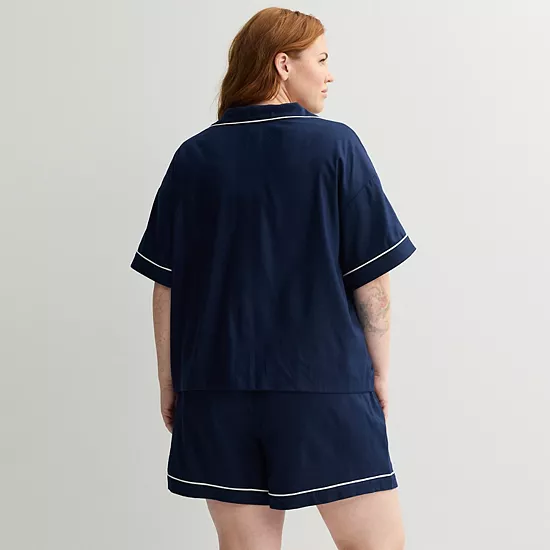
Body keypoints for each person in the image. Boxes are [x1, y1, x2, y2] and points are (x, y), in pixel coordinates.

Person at [130, 7, 416, 550]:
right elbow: (371, 280)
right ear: (283, 64)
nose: (330, 74)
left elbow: (166, 284)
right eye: (322, 59)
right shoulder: (336, 146)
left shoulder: (193, 157)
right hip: (323, 385)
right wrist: (379, 370)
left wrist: (169, 382)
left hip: (214, 389)